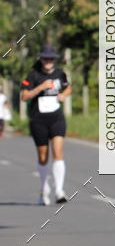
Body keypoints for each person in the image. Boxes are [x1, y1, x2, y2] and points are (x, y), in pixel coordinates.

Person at [20, 45, 72, 205]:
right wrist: (40, 88)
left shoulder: (59, 74)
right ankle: (44, 189)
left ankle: (59, 190)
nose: (48, 61)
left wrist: (63, 95)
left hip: (56, 119)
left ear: (54, 60)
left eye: (50, 59)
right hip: (38, 120)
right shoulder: (33, 74)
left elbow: (68, 87)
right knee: (43, 157)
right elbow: (24, 96)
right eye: (45, 58)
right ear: (41, 59)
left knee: (58, 153)